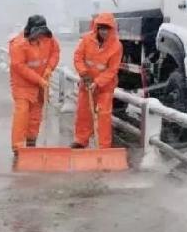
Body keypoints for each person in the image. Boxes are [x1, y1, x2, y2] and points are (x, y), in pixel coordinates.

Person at [8, 15, 60, 153]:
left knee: (35, 116)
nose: (40, 36)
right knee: (22, 115)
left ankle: (31, 143)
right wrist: (40, 80)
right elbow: (19, 67)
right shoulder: (18, 44)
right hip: (22, 86)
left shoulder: (48, 39)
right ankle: (18, 148)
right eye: (38, 32)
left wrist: (49, 68)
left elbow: (55, 52)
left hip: (40, 86)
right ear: (30, 30)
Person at [72, 13, 122, 149]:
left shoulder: (116, 46)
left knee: (103, 117)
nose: (104, 32)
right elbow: (78, 57)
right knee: (84, 113)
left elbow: (112, 70)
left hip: (105, 87)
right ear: (97, 28)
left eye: (107, 29)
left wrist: (98, 82)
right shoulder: (87, 40)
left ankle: (103, 146)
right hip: (86, 84)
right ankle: (81, 141)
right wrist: (83, 73)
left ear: (112, 29)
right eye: (101, 28)